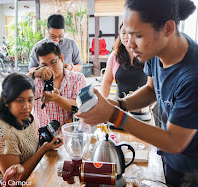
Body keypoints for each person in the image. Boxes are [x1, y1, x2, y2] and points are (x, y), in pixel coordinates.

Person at [76, 0, 198, 186]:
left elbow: (175, 142)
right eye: (126, 33)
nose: (130, 43)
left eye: (138, 35)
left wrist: (113, 115)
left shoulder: (192, 77)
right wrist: (118, 105)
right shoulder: (157, 51)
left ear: (168, 28)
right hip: (169, 159)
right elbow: (151, 89)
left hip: (191, 171)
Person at [0, 73, 63, 181]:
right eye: (20, 100)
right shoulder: (2, 134)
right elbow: (16, 179)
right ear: (6, 101)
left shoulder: (26, 118)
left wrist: (45, 146)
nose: (26, 106)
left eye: (30, 100)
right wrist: (44, 149)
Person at [29, 41, 86, 128]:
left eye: (53, 62)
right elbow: (13, 87)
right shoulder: (35, 81)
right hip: (42, 137)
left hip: (69, 135)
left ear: (62, 58)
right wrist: (33, 74)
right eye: (44, 65)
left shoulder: (77, 78)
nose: (50, 68)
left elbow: (80, 107)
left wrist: (56, 98)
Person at [101, 24, 151, 122]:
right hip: (120, 107)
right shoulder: (115, 55)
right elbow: (106, 82)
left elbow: (154, 86)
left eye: (130, 33)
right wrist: (103, 103)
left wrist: (151, 106)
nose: (126, 37)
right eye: (123, 33)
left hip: (144, 109)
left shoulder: (148, 55)